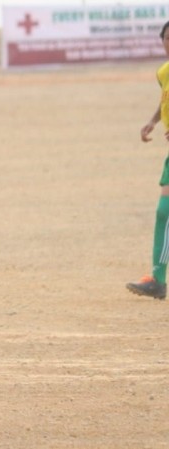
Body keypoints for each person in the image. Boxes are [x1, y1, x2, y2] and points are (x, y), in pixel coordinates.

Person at [126, 21, 169, 301]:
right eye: (167, 37)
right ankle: (157, 278)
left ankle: (158, 278)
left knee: (165, 211)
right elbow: (165, 98)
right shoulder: (163, 72)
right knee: (164, 212)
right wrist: (153, 121)